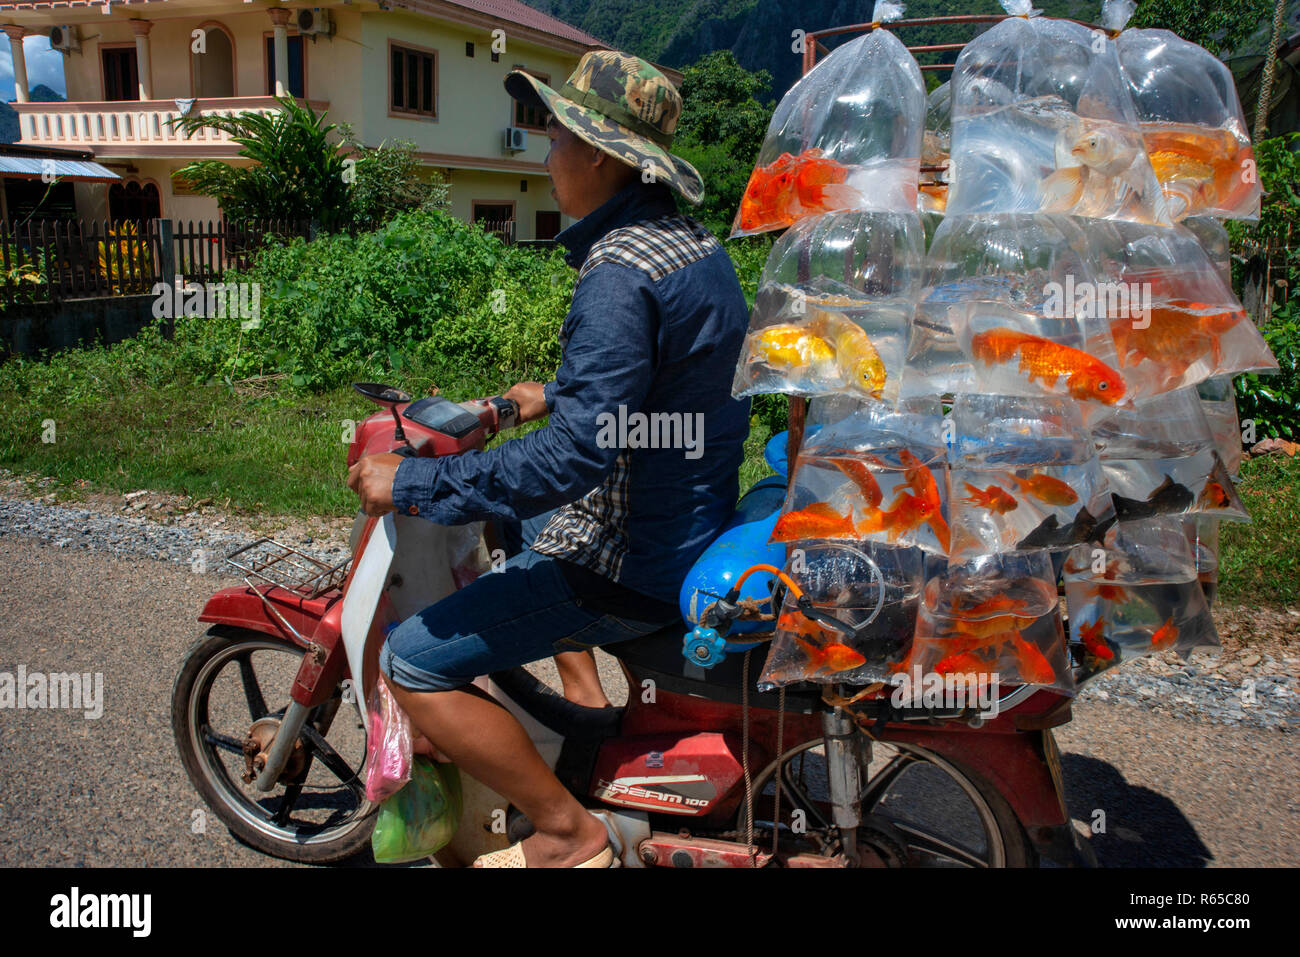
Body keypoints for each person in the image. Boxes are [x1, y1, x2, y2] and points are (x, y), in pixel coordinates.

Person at [346, 50, 751, 867]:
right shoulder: (687, 246)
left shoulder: (616, 273)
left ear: (599, 154)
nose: (547, 154)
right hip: (688, 515)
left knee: (413, 659)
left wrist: (414, 481)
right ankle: (582, 705)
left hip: (630, 559)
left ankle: (568, 833)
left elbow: (574, 460)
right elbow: (642, 394)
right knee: (508, 508)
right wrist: (543, 396)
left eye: (557, 137)